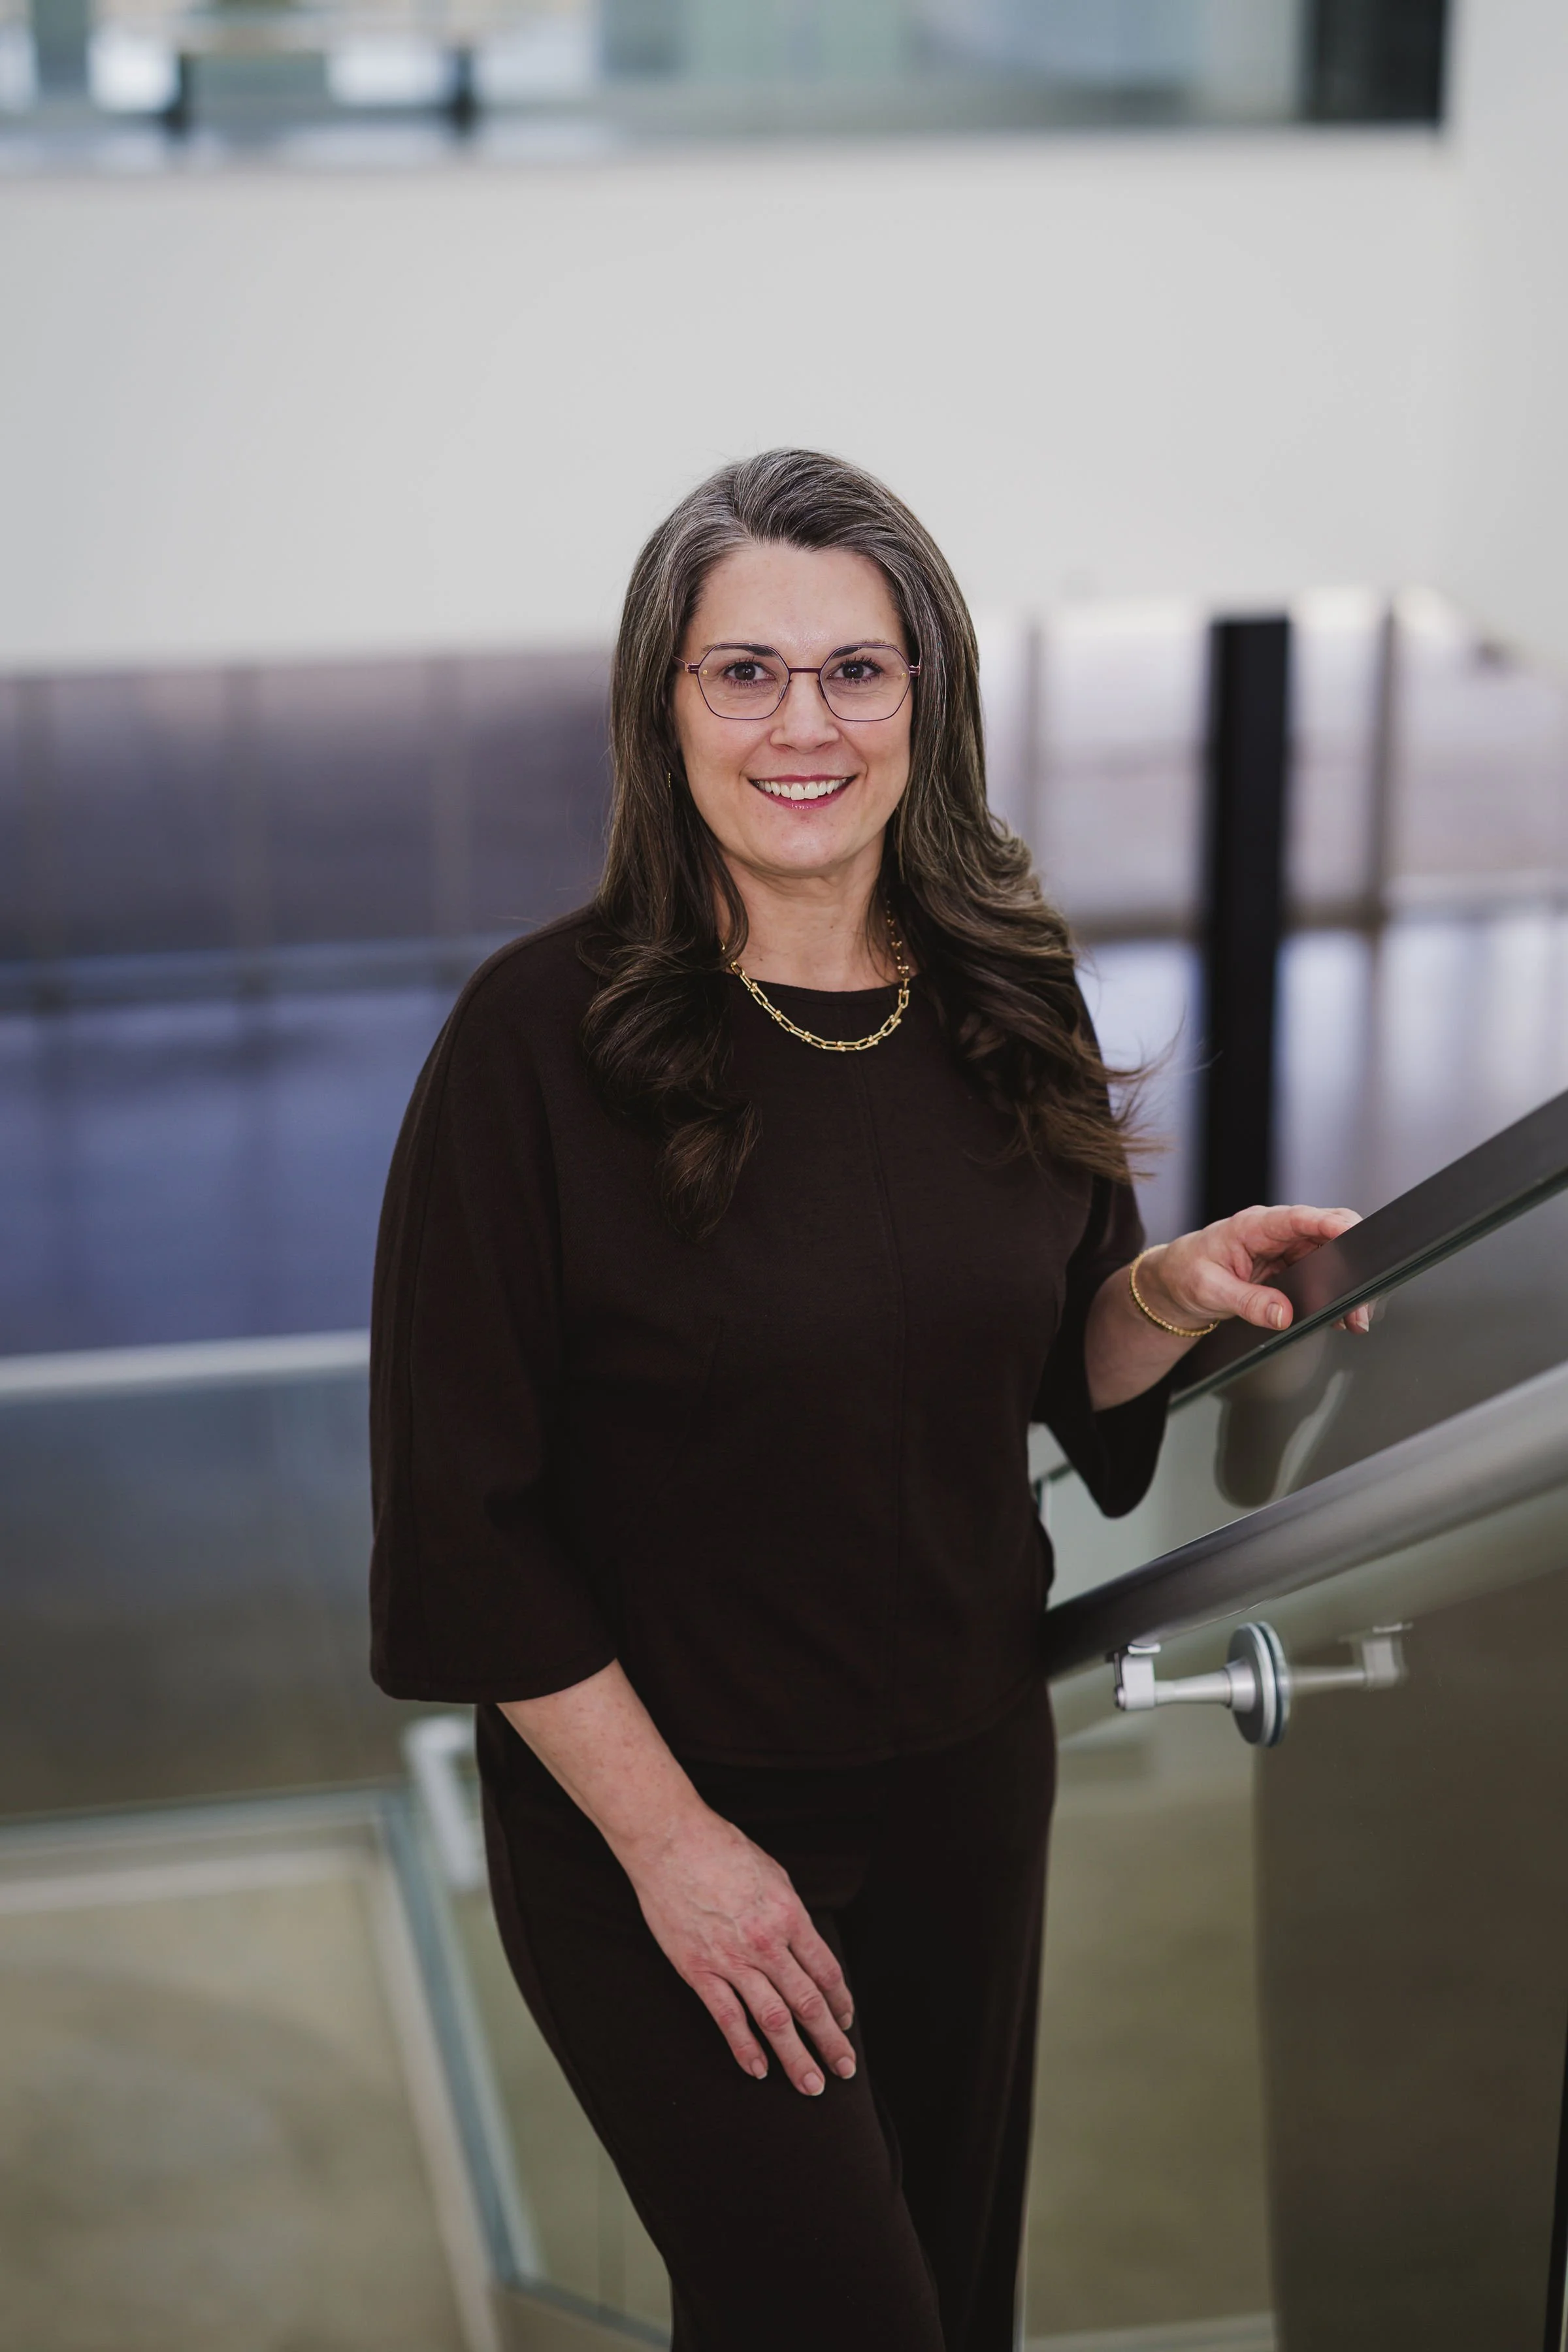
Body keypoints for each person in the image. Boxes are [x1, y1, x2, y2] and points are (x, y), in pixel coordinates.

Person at [369, 449, 1361, 2351]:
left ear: (932, 700)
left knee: (952, 2307)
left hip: (964, 1791)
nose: (803, 724)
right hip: (665, 1823)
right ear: (663, 713)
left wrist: (1169, 1287)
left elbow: (1059, 1369)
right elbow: (461, 1526)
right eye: (743, 673)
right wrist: (682, 1856)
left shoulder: (1006, 991)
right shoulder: (534, 1046)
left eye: (859, 670)